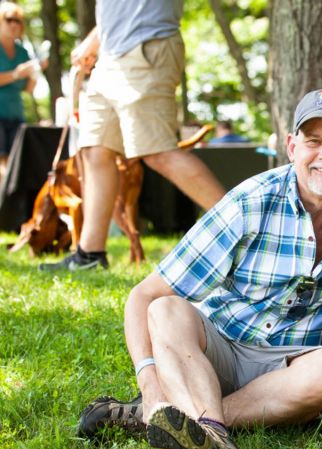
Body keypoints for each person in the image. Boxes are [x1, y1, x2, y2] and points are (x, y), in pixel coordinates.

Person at [75, 89, 322, 449]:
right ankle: (207, 434)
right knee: (166, 310)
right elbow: (142, 296)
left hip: (297, 368)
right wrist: (154, 392)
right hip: (220, 352)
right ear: (291, 145)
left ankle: (171, 423)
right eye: (314, 141)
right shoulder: (251, 201)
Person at [40, 0, 225, 272]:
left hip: (146, 48)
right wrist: (94, 40)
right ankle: (89, 253)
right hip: (110, 56)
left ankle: (251, 230)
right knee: (94, 149)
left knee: (157, 153)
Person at [0, 2, 42, 179]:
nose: (14, 24)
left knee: (15, 161)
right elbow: (15, 77)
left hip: (16, 114)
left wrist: (35, 73)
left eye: (18, 20)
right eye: (9, 19)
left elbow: (27, 89)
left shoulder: (22, 52)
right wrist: (16, 74)